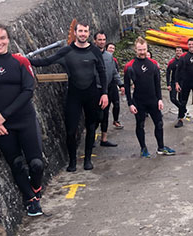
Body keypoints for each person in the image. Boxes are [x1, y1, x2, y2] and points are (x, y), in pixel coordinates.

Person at [0, 23, 44, 216]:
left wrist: (2, 116)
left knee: (37, 164)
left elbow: (28, 90)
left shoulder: (21, 62)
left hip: (24, 118)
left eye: (2, 38)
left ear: (8, 39)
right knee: (18, 164)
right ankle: (32, 201)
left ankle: (36, 189)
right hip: (0, 126)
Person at [29, 21, 108, 172]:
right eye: (80, 31)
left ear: (89, 33)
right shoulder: (66, 51)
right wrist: (25, 60)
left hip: (91, 94)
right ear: (75, 33)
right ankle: (72, 161)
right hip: (74, 95)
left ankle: (88, 159)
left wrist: (104, 93)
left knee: (91, 127)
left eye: (85, 31)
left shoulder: (95, 51)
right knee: (71, 130)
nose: (83, 34)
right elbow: (45, 61)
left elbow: (102, 73)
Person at [124, 37, 176, 157]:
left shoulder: (153, 64)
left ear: (147, 49)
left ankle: (161, 147)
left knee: (159, 124)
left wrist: (160, 99)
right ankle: (143, 148)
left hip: (153, 100)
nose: (142, 52)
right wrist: (130, 103)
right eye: (139, 50)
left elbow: (157, 83)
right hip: (139, 101)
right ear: (135, 49)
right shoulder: (129, 66)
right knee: (140, 125)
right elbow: (126, 87)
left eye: (144, 49)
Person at [94, 31, 124, 147]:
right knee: (96, 116)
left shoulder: (109, 56)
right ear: (95, 41)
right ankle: (91, 138)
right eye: (99, 40)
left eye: (103, 40)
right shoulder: (91, 54)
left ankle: (104, 139)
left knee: (105, 115)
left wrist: (121, 84)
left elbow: (114, 72)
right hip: (94, 90)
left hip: (107, 89)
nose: (102, 42)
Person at [105, 42, 125, 129]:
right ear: (106, 48)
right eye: (110, 48)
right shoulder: (101, 58)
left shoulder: (114, 60)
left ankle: (116, 120)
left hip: (113, 85)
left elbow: (116, 72)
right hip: (105, 85)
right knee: (106, 107)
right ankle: (103, 126)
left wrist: (120, 84)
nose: (111, 50)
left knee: (116, 104)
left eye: (113, 48)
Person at [166, 46, 184, 114]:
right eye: (177, 51)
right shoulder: (172, 62)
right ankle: (183, 109)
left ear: (182, 52)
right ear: (175, 52)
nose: (178, 52)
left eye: (180, 51)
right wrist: (168, 84)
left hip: (182, 82)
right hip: (173, 82)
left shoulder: (184, 61)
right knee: (173, 98)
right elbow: (168, 73)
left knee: (181, 99)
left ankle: (180, 116)